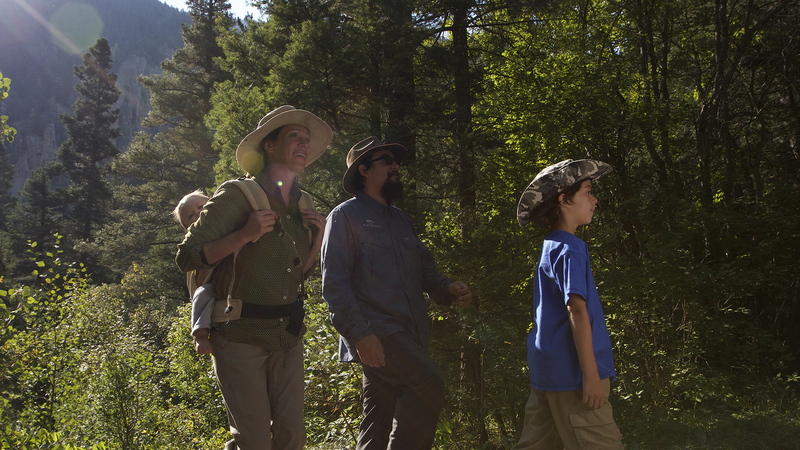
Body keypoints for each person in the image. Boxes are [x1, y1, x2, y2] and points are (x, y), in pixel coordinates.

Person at [176, 105, 332, 450]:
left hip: (288, 337)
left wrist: (318, 238)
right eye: (295, 136)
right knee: (254, 441)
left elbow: (297, 276)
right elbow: (187, 256)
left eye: (307, 139)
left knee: (293, 438)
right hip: (239, 336)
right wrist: (243, 235)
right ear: (270, 146)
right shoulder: (237, 196)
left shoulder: (303, 203)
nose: (304, 144)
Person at [320, 136, 473, 450]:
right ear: (364, 170)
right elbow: (334, 283)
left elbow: (423, 272)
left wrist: (447, 287)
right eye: (387, 160)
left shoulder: (401, 220)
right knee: (428, 381)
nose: (395, 166)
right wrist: (361, 334)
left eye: (396, 161)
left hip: (410, 331)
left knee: (377, 421)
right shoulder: (344, 216)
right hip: (377, 333)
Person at [512, 159, 623, 450]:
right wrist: (591, 375)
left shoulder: (551, 245)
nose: (594, 198)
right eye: (587, 191)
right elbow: (576, 309)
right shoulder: (570, 247)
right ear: (564, 199)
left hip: (548, 371)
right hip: (573, 376)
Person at [173, 189, 213, 355]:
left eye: (201, 205)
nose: (198, 211)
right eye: (191, 216)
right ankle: (200, 334)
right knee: (203, 294)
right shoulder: (197, 243)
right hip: (212, 284)